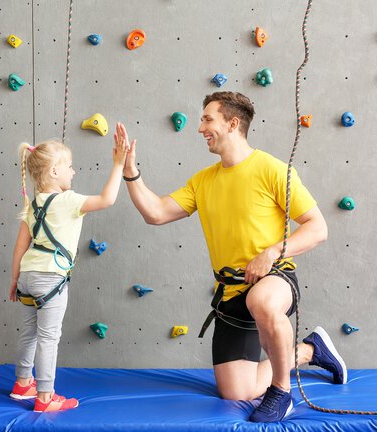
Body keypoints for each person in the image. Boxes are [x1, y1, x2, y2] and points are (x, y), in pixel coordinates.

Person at [117, 91, 347, 423]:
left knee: (263, 302)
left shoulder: (271, 169)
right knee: (236, 392)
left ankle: (282, 394)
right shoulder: (203, 181)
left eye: (208, 119)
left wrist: (271, 253)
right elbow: (156, 213)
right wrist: (130, 172)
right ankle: (311, 350)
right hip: (230, 295)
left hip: (274, 278)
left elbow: (317, 227)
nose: (200, 128)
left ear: (232, 123)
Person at [9, 136, 128, 412]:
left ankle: (22, 382)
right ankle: (44, 398)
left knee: (29, 332)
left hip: (28, 276)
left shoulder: (34, 205)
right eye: (70, 166)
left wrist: (15, 280)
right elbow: (107, 199)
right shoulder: (69, 200)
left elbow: (20, 246)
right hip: (51, 279)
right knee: (49, 337)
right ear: (53, 171)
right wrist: (118, 164)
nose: (73, 171)